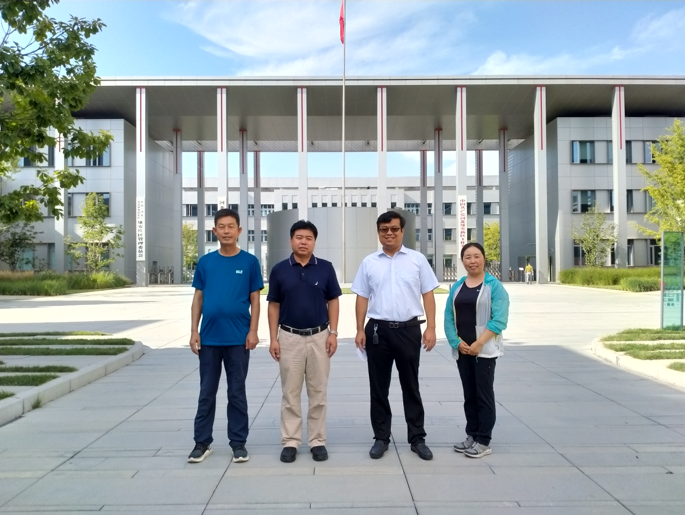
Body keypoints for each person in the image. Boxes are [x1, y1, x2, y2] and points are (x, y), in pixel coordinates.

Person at [352, 211, 439, 461]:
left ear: (402, 231)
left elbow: (428, 294)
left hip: (409, 330)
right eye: (384, 229)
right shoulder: (369, 262)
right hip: (377, 331)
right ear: (378, 232)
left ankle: (417, 438)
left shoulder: (417, 260)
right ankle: (381, 437)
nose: (389, 233)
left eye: (394, 229)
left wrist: (431, 328)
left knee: (411, 385)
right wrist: (359, 328)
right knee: (378, 387)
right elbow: (361, 297)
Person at [187, 208, 263, 464]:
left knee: (237, 393)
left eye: (231, 226)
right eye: (222, 227)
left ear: (239, 230)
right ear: (215, 231)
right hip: (209, 339)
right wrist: (194, 331)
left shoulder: (249, 262)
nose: (227, 231)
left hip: (238, 339)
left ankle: (238, 443)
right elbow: (198, 298)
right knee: (206, 392)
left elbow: (255, 299)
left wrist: (253, 331)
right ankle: (202, 442)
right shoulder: (206, 262)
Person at [267, 220, 342, 463]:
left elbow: (333, 300)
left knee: (318, 392)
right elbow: (273, 305)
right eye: (299, 237)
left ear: (314, 242)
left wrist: (333, 333)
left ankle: (317, 441)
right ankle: (290, 441)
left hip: (320, 337)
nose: (303, 242)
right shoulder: (279, 270)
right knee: (290, 392)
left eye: (308, 238)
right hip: (289, 338)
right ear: (291, 240)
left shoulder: (325, 268)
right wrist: (273, 338)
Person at [445, 242, 509, 459]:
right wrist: (456, 342)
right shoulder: (457, 286)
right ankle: (471, 434)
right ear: (462, 261)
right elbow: (448, 316)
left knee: (483, 394)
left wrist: (479, 343)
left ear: (484, 258)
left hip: (484, 351)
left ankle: (483, 440)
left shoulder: (494, 286)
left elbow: (499, 320)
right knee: (469, 395)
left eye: (476, 256)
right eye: (467, 257)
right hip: (463, 350)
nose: (472, 261)